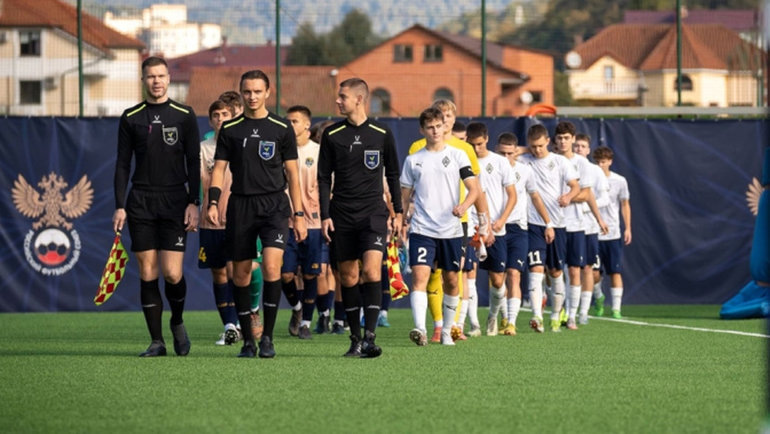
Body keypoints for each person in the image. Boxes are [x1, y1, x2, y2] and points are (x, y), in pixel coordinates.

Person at [207, 70, 307, 358]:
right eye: (247, 92)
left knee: (273, 268)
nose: (252, 97)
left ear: (268, 92)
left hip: (275, 206)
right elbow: (219, 169)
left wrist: (298, 214)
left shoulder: (281, 127)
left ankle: (268, 340)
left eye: (257, 91)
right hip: (241, 206)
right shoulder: (230, 129)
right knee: (239, 274)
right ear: (241, 93)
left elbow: (292, 174)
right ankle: (249, 340)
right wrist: (213, 203)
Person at [113, 56, 200, 357]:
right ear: (143, 79)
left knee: (173, 274)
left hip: (176, 201)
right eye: (151, 76)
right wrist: (120, 205)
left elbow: (194, 160)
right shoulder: (131, 117)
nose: (157, 81)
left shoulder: (184, 115)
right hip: (141, 202)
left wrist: (195, 201)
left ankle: (177, 321)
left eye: (161, 76)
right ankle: (157, 341)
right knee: (148, 271)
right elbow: (123, 164)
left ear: (168, 78)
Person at [318, 77, 403, 358]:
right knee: (348, 275)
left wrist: (398, 213)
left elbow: (392, 174)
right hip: (341, 215)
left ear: (359, 99)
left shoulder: (381, 132)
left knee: (370, 270)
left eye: (342, 96)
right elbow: (323, 179)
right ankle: (354, 339)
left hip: (373, 214)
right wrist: (325, 215)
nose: (337, 101)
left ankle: (370, 337)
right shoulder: (332, 135)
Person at [408, 99, 491, 343]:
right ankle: (431, 327)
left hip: (457, 222)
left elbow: (477, 188)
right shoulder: (415, 150)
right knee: (424, 274)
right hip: (423, 224)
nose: (442, 122)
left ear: (452, 121)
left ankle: (453, 326)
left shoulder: (462, 151)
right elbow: (409, 185)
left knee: (454, 277)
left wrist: (482, 220)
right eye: (438, 116)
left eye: (446, 117)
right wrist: (401, 217)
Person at [518, 124, 579, 333]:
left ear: (548, 142)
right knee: (535, 269)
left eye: (540, 146)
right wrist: (526, 150)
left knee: (555, 272)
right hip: (533, 223)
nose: (536, 151)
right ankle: (537, 316)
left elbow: (575, 186)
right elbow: (509, 151)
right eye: (533, 147)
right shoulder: (525, 161)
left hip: (558, 224)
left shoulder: (560, 162)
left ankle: (555, 315)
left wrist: (569, 197)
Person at [551, 121, 607, 331]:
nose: (564, 142)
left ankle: (573, 315)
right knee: (553, 270)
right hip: (553, 223)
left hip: (575, 224)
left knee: (575, 269)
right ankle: (556, 310)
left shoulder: (583, 164)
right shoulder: (550, 161)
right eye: (560, 138)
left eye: (567, 138)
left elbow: (587, 193)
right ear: (555, 140)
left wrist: (568, 197)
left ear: (573, 139)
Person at [464, 122, 517, 337]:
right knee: (469, 275)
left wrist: (500, 221)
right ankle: (473, 324)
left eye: (479, 144)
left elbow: (512, 195)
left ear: (486, 139)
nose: (475, 149)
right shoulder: (462, 160)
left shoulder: (500, 162)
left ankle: (493, 315)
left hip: (496, 228)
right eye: (471, 144)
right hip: (470, 227)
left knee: (497, 281)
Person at [496, 132, 551, 335]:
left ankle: (511, 322)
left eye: (511, 153)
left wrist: (548, 222)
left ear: (516, 152)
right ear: (496, 150)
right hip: (496, 227)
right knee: (497, 278)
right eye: (502, 153)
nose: (506, 157)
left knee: (514, 273)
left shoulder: (524, 170)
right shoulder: (489, 167)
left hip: (518, 227)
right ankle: (499, 315)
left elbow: (535, 196)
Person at [198, 99, 241, 346]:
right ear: (211, 120)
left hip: (237, 218)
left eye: (225, 114)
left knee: (238, 270)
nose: (221, 118)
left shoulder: (241, 144)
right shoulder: (203, 149)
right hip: (210, 219)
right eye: (216, 115)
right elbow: (196, 182)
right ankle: (228, 325)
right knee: (218, 272)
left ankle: (239, 320)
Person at [282, 105, 325, 339]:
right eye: (287, 121)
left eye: (294, 121)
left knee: (310, 275)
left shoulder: (318, 152)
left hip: (314, 222)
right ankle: (297, 309)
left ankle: (306, 322)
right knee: (285, 274)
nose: (290, 125)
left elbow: (328, 186)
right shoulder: (280, 150)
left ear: (307, 125)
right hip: (285, 222)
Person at [573, 133, 610, 324]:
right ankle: (568, 310)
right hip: (568, 225)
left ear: (588, 150)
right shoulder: (566, 165)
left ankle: (584, 311)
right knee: (568, 269)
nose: (579, 149)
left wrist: (585, 206)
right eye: (576, 146)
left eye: (582, 146)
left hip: (588, 227)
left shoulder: (594, 170)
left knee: (588, 269)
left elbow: (604, 199)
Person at [592, 146, 632, 319]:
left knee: (615, 271)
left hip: (613, 233)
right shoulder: (589, 180)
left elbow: (624, 204)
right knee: (593, 274)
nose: (601, 165)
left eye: (604, 162)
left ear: (610, 162)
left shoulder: (620, 181)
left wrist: (628, 228)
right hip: (593, 232)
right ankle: (598, 296)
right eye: (598, 162)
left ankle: (616, 309)